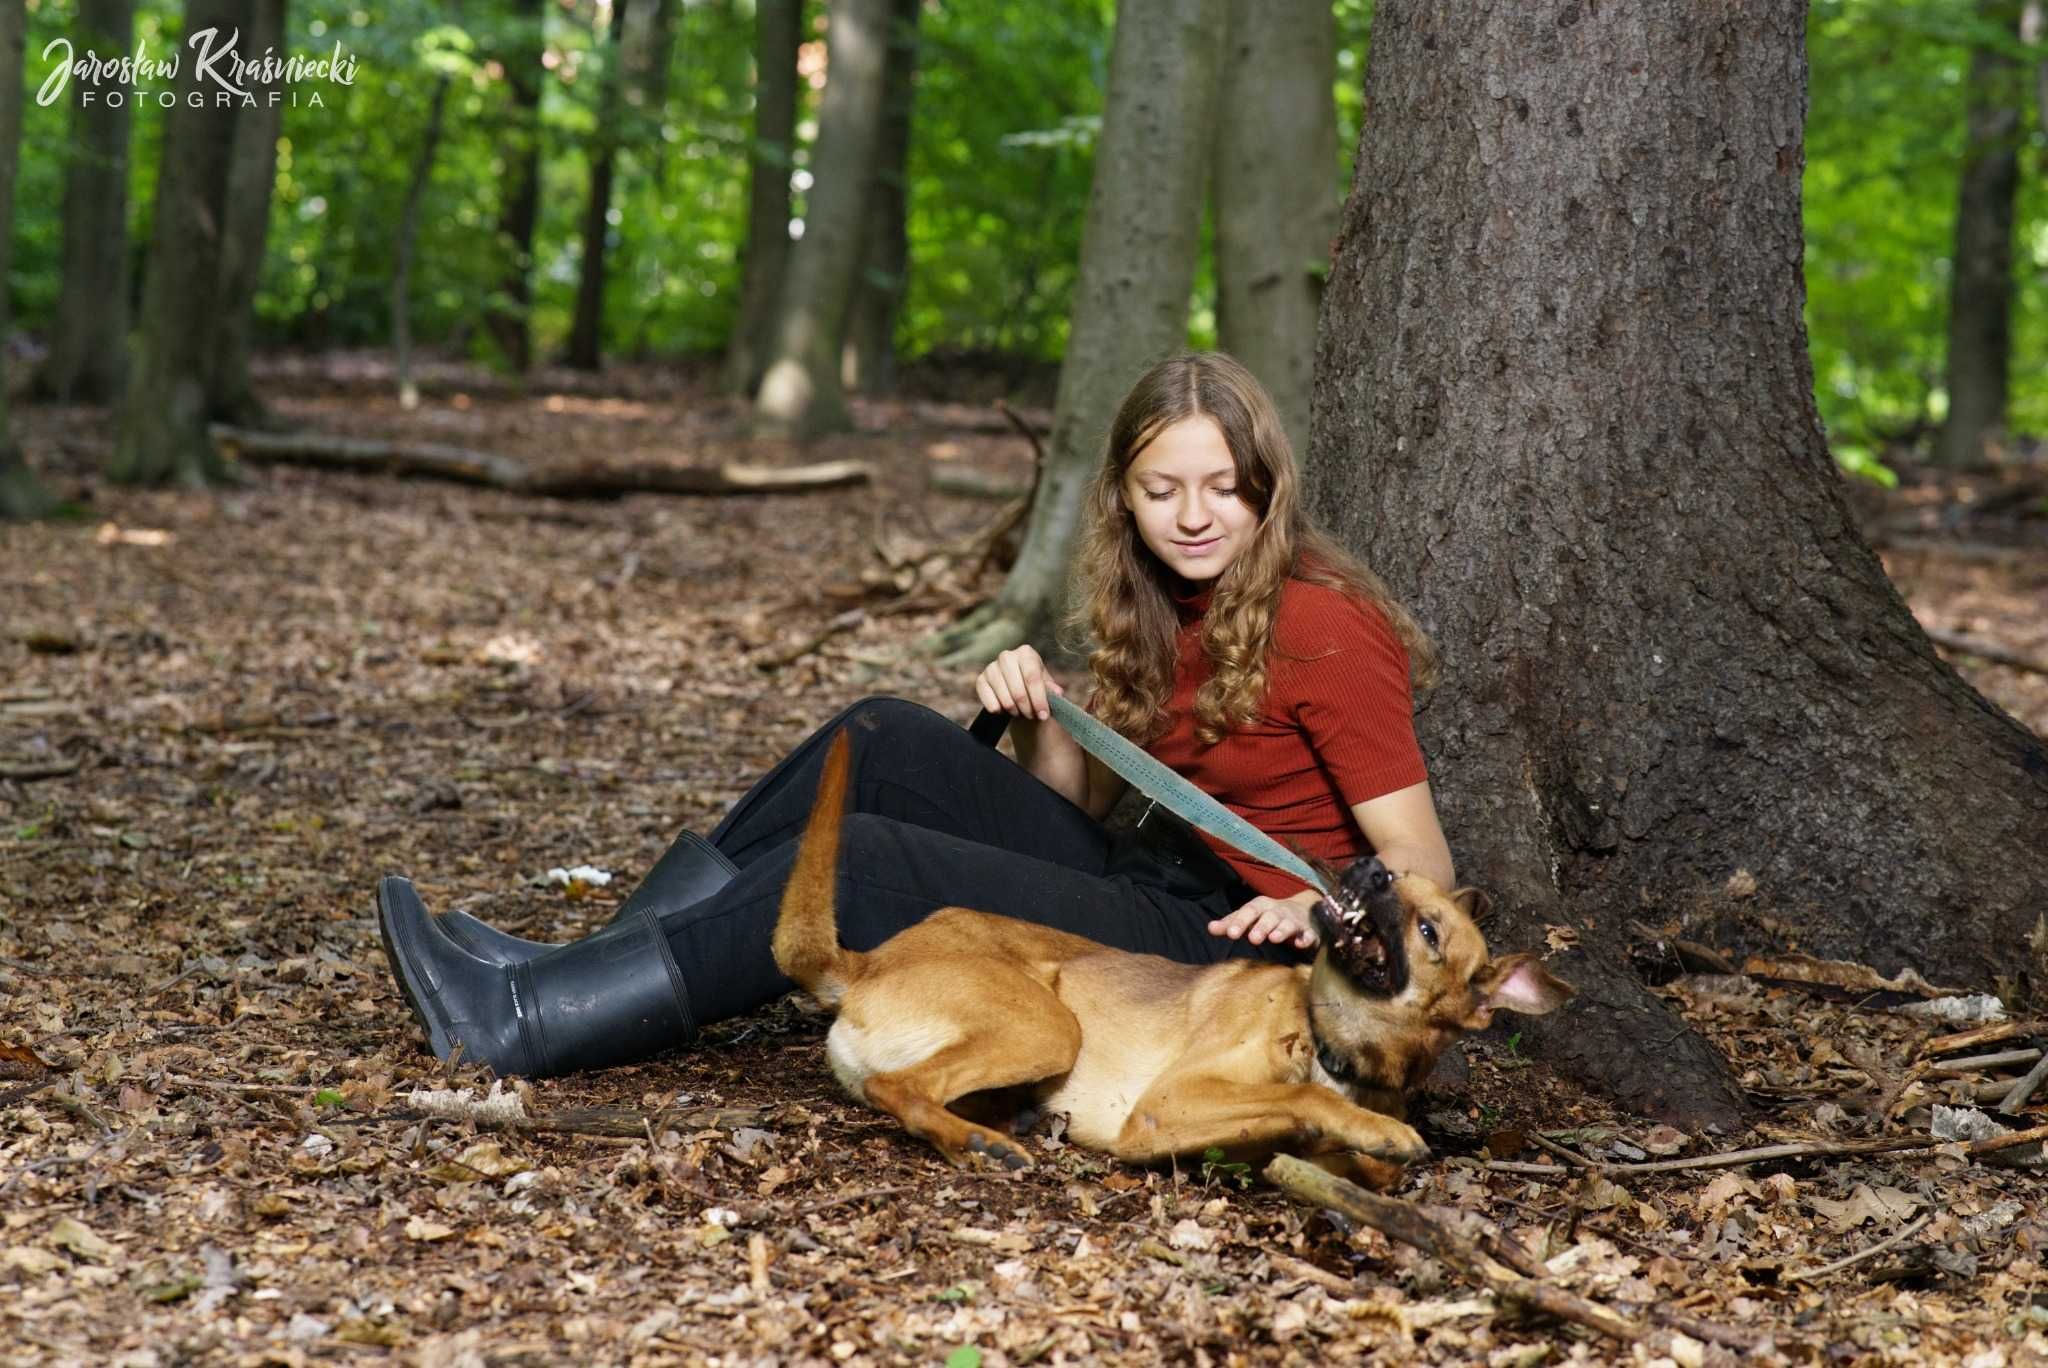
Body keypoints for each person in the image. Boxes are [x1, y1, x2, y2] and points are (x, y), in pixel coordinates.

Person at [376, 351, 1454, 1079]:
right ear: (1120, 495)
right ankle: (573, 968)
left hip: (1225, 952)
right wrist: (1042, 713)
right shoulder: (1159, 603)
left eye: (1221, 487)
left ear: (1264, 486)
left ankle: (516, 1022)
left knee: (867, 865)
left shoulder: (1322, 624)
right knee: (880, 734)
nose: (1191, 515)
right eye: (1159, 488)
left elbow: (1424, 865)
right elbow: (1066, 830)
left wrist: (1323, 915)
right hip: (1150, 878)